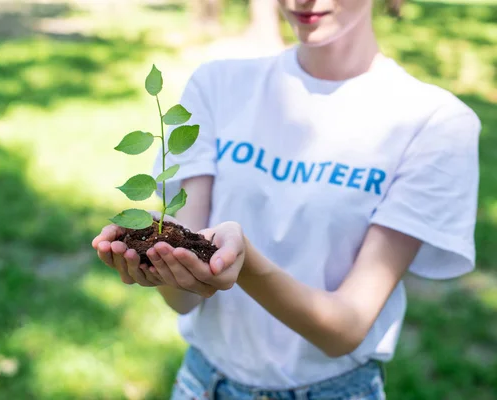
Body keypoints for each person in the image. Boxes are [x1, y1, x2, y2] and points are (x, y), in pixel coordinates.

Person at [92, 0, 481, 398]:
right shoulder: (218, 86)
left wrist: (244, 263)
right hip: (202, 384)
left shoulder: (435, 124)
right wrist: (160, 264)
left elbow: (345, 329)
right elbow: (185, 299)